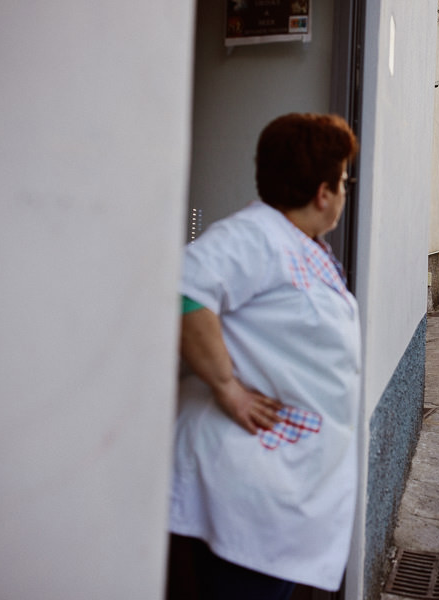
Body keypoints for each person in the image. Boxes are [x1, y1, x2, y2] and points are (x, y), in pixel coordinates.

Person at [168, 113, 360, 600]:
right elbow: (184, 290)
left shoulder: (296, 242)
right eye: (342, 180)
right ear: (323, 192)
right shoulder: (257, 235)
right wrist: (227, 387)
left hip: (283, 476)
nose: (344, 191)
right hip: (250, 482)